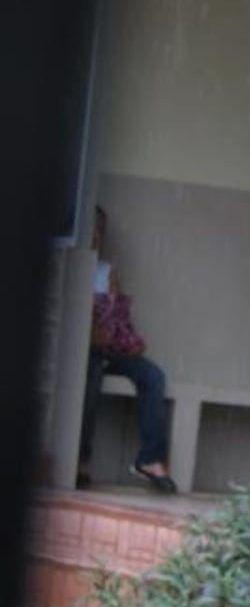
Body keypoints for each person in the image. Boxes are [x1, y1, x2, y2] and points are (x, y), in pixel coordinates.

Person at [78, 206, 176, 493]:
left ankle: (150, 459)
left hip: (109, 348)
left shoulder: (106, 272)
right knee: (90, 375)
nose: (95, 235)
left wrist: (125, 338)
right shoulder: (65, 265)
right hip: (82, 352)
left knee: (152, 376)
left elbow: (117, 319)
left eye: (99, 229)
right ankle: (79, 460)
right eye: (89, 228)